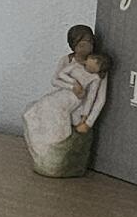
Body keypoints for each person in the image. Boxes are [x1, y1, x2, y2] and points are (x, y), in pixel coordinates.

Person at [23, 25, 112, 177]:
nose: (86, 47)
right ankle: (42, 155)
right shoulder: (67, 61)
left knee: (59, 133)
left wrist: (88, 122)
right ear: (73, 45)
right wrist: (73, 86)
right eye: (81, 44)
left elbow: (99, 99)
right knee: (32, 113)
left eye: (89, 43)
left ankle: (53, 159)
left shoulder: (98, 68)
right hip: (63, 98)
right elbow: (55, 81)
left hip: (78, 111)